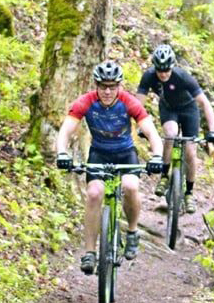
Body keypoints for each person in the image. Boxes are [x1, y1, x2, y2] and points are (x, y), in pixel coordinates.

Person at [54, 60, 165, 275]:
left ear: (119, 86)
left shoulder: (128, 102)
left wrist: (157, 156)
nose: (107, 91)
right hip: (99, 153)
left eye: (112, 86)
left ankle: (132, 232)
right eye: (103, 86)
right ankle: (89, 253)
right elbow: (66, 130)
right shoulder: (86, 102)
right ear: (96, 85)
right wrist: (61, 153)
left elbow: (151, 133)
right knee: (94, 193)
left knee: (130, 186)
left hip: (125, 153)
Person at [135, 44, 214, 214]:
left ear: (172, 66)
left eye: (166, 70)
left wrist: (213, 129)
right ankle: (164, 176)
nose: (163, 74)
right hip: (168, 108)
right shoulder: (149, 76)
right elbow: (138, 104)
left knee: (190, 152)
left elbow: (204, 103)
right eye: (160, 70)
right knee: (170, 135)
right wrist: (140, 125)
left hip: (189, 110)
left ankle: (189, 192)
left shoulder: (182, 77)